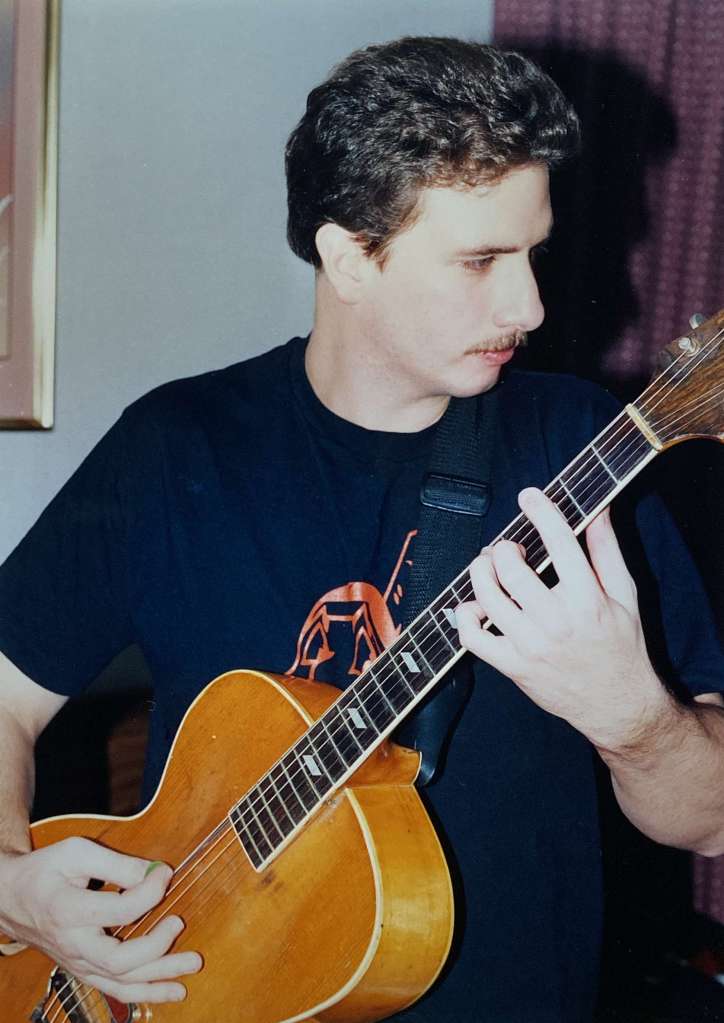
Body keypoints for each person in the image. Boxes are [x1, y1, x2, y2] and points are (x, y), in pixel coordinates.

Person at [0, 35, 722, 1023]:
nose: (529, 304)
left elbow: (710, 823)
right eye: (480, 261)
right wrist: (11, 878)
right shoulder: (175, 447)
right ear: (348, 257)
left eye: (534, 253)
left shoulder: (584, 451)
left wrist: (633, 719)